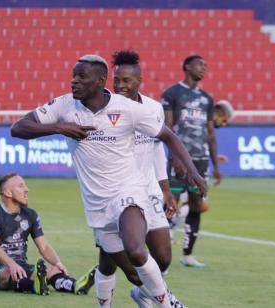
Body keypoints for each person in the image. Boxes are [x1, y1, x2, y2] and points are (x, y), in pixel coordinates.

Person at [11, 54, 206, 308]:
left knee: (137, 251)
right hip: (96, 203)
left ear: (99, 81)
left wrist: (191, 170)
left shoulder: (127, 109)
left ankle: (166, 303)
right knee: (129, 271)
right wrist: (59, 127)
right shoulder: (64, 106)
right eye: (73, 76)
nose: (74, 82)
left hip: (129, 191)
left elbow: (168, 136)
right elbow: (18, 128)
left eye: (81, 77)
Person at [91, 50, 180, 307]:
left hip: (148, 190)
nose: (120, 85)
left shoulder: (153, 109)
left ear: (139, 81)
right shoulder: (104, 110)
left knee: (162, 258)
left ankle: (143, 295)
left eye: (127, 80)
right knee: (110, 262)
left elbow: (157, 151)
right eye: (116, 80)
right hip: (113, 193)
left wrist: (166, 190)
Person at [0, 173, 96, 296]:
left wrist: (57, 263)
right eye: (21, 186)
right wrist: (12, 264)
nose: (26, 189)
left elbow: (44, 247)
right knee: (7, 273)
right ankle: (35, 286)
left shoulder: (30, 215)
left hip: (21, 265)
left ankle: (75, 285)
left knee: (51, 270)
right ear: (8, 193)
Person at [161, 55, 220, 268]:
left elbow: (211, 133)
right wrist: (175, 156)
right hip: (179, 159)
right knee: (170, 204)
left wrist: (216, 166)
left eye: (205, 65)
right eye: (199, 65)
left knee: (196, 205)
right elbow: (168, 127)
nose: (204, 69)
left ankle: (187, 254)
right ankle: (161, 251)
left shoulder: (207, 99)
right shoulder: (172, 93)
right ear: (187, 67)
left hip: (201, 160)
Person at [169, 99, 234, 234]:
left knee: (195, 205)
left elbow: (199, 145)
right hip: (190, 169)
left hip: (196, 168)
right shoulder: (200, 122)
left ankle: (170, 226)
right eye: (224, 119)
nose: (224, 123)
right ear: (219, 112)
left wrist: (215, 157)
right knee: (199, 205)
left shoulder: (204, 125)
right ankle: (169, 226)